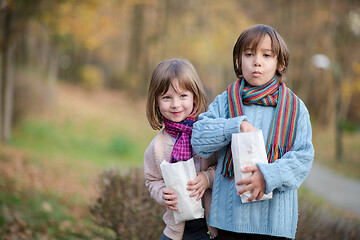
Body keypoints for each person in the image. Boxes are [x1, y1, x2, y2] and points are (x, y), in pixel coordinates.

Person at [191, 24, 314, 240]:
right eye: (249, 54)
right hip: (229, 223)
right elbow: (199, 138)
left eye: (267, 55)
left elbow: (303, 158)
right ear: (238, 61)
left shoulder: (295, 109)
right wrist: (235, 126)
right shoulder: (225, 102)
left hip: (274, 225)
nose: (257, 61)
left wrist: (267, 177)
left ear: (280, 63)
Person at [144, 58, 218, 240]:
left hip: (211, 226)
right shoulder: (157, 146)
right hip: (177, 230)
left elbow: (225, 168)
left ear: (195, 97)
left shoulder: (209, 134)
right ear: (156, 102)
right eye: (167, 97)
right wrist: (162, 193)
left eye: (183, 96)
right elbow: (152, 180)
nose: (175, 104)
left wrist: (207, 178)